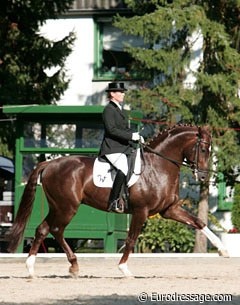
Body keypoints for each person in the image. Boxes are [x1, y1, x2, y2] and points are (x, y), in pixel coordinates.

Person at [99, 82, 142, 213]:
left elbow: (124, 129)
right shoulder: (108, 110)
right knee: (123, 167)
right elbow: (111, 130)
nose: (123, 94)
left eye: (123, 92)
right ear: (112, 94)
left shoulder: (119, 109)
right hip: (112, 148)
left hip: (123, 147)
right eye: (120, 92)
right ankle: (113, 201)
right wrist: (131, 137)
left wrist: (137, 136)